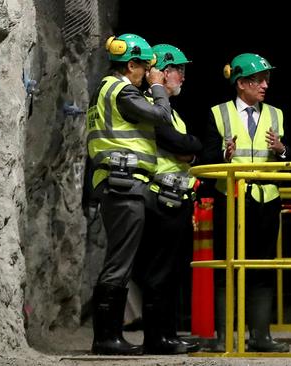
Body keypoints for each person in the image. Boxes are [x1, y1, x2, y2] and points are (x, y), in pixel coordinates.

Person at [199, 53, 291, 352]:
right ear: (241, 84)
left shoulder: (276, 114)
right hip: (231, 197)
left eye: (266, 80)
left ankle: (261, 337)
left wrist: (281, 150)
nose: (265, 85)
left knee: (262, 267)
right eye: (259, 80)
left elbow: (286, 156)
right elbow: (207, 157)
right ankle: (227, 335)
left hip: (266, 199)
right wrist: (223, 156)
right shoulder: (218, 113)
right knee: (228, 266)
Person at [86, 33, 170, 355]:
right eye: (144, 67)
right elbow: (161, 116)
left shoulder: (107, 90)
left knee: (120, 260)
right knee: (118, 263)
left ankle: (109, 336)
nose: (147, 73)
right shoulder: (121, 91)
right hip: (123, 186)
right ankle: (107, 338)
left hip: (120, 184)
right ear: (131, 64)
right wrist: (159, 88)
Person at [132, 43, 202, 354]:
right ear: (160, 71)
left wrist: (189, 146)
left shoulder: (169, 110)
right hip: (161, 199)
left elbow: (185, 145)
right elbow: (176, 141)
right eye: (178, 70)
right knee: (159, 272)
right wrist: (192, 146)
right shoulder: (151, 105)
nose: (183, 77)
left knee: (172, 272)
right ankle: (157, 338)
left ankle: (169, 335)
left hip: (176, 198)